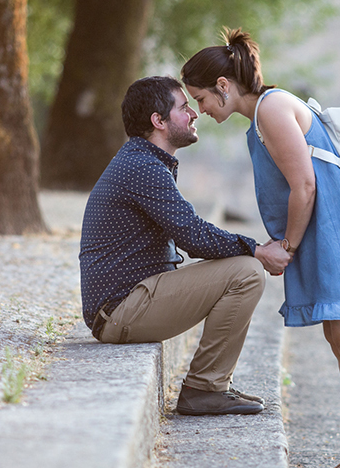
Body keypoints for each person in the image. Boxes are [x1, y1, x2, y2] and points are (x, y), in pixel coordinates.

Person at [181, 29, 340, 468]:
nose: (200, 109)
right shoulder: (265, 113)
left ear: (224, 86)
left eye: (201, 98)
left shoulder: (272, 109)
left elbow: (305, 186)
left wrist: (288, 248)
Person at [79, 76, 291, 416]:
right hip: (120, 310)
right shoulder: (143, 167)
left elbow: (191, 232)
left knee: (245, 267)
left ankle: (208, 386)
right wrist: (259, 250)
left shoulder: (143, 162)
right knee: (247, 272)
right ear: (158, 121)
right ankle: (204, 389)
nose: (194, 114)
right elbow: (194, 236)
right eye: (184, 107)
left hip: (127, 302)